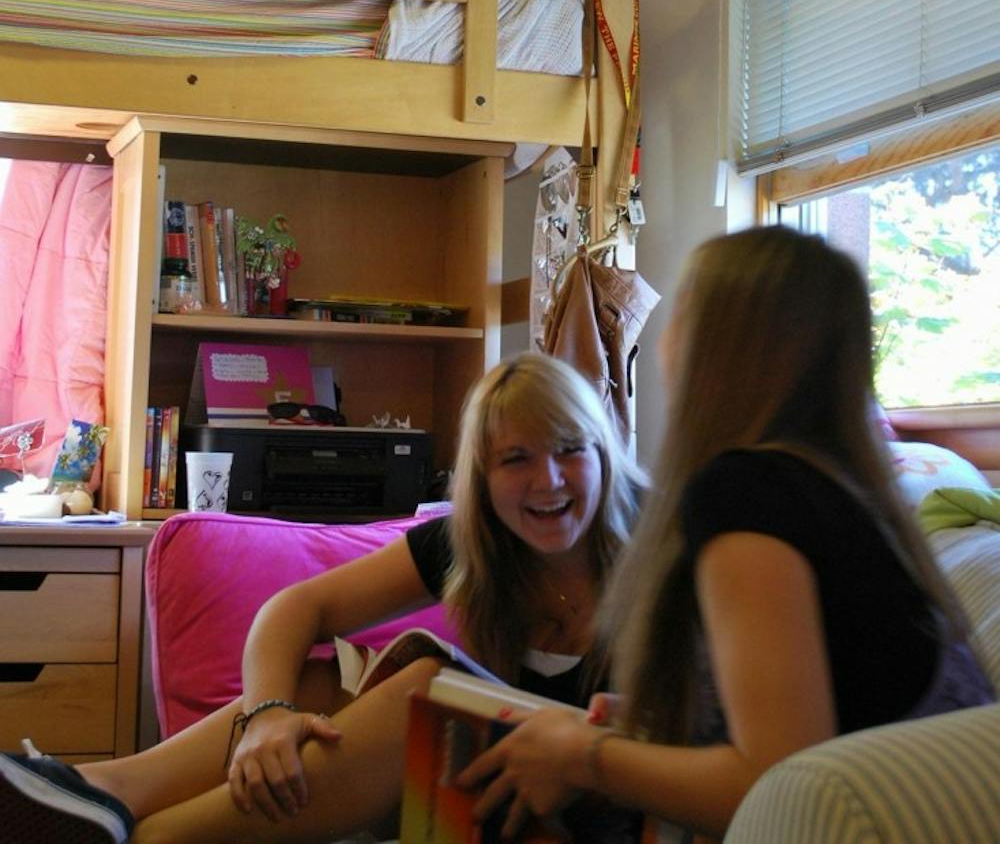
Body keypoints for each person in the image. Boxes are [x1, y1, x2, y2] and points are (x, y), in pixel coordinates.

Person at [460, 227, 995, 842]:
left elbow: (774, 787)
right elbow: (828, 712)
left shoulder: (746, 494)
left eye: (680, 311)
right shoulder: (841, 488)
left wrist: (583, 758)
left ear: (713, 344)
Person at [0, 351, 644, 844]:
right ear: (483, 476)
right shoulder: (477, 538)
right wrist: (267, 716)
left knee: (426, 687)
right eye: (516, 460)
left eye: (569, 451)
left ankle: (149, 837)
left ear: (604, 452)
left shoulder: (661, 545)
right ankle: (100, 791)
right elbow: (296, 609)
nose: (547, 480)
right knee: (322, 684)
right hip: (494, 789)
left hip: (590, 804)